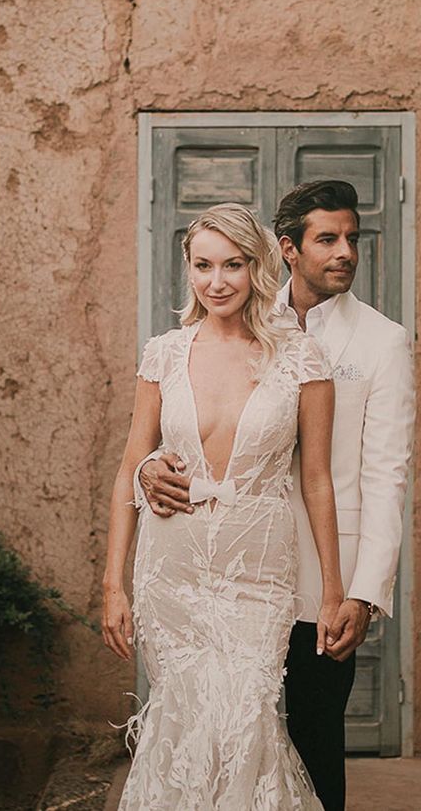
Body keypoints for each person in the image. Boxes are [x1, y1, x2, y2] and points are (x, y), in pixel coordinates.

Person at [139, 181, 415, 811]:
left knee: (315, 734)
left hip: (324, 576)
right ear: (287, 250)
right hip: (229, 568)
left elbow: (385, 475)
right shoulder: (237, 320)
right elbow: (190, 426)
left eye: (352, 238)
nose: (344, 251)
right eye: (327, 239)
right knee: (223, 731)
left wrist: (363, 593)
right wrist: (149, 471)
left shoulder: (381, 342)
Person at [102, 202, 342, 810]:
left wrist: (334, 590)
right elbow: (132, 464)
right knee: (181, 726)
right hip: (171, 572)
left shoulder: (301, 358)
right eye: (203, 266)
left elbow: (316, 480)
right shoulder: (163, 354)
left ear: (256, 267)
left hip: (257, 576)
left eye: (233, 264)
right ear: (187, 269)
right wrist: (113, 586)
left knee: (246, 720)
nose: (217, 282)